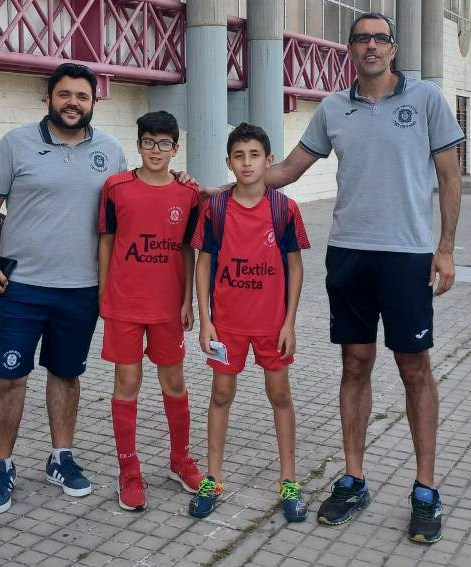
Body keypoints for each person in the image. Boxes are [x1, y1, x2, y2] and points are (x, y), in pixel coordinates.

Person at [255, 12, 463, 543]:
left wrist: (445, 249)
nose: (370, 46)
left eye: (379, 38)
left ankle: (425, 489)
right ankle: (353, 478)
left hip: (408, 255)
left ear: (393, 49)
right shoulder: (333, 108)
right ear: (350, 49)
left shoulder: (426, 102)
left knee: (414, 366)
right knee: (355, 362)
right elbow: (289, 170)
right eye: (360, 38)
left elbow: (449, 174)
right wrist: (226, 186)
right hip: (349, 254)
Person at [0, 63, 128, 514]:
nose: (73, 103)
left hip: (81, 288)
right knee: (8, 378)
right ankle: (1, 465)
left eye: (82, 96)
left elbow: (133, 198)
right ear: (48, 98)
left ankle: (61, 457)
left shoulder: (111, 150)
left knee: (66, 374)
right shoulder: (16, 143)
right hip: (18, 286)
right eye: (64, 94)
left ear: (94, 101)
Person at [188, 123, 311, 523]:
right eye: (238, 156)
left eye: (254, 155)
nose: (246, 163)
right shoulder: (216, 209)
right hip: (228, 326)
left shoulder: (283, 209)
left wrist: (289, 322)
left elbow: (295, 267)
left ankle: (289, 480)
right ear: (228, 162)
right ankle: (214, 477)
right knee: (221, 395)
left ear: (268, 160)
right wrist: (205, 320)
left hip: (271, 325)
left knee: (280, 396)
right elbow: (203, 263)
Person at [97, 111, 204, 511]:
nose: (155, 150)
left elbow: (188, 249)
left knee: (174, 382)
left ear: (175, 149)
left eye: (164, 144)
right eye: (148, 142)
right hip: (124, 304)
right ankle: (129, 470)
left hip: (166, 307)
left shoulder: (187, 194)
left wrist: (187, 300)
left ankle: (180, 459)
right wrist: (104, 295)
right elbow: (107, 241)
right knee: (126, 384)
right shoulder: (115, 187)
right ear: (137, 145)